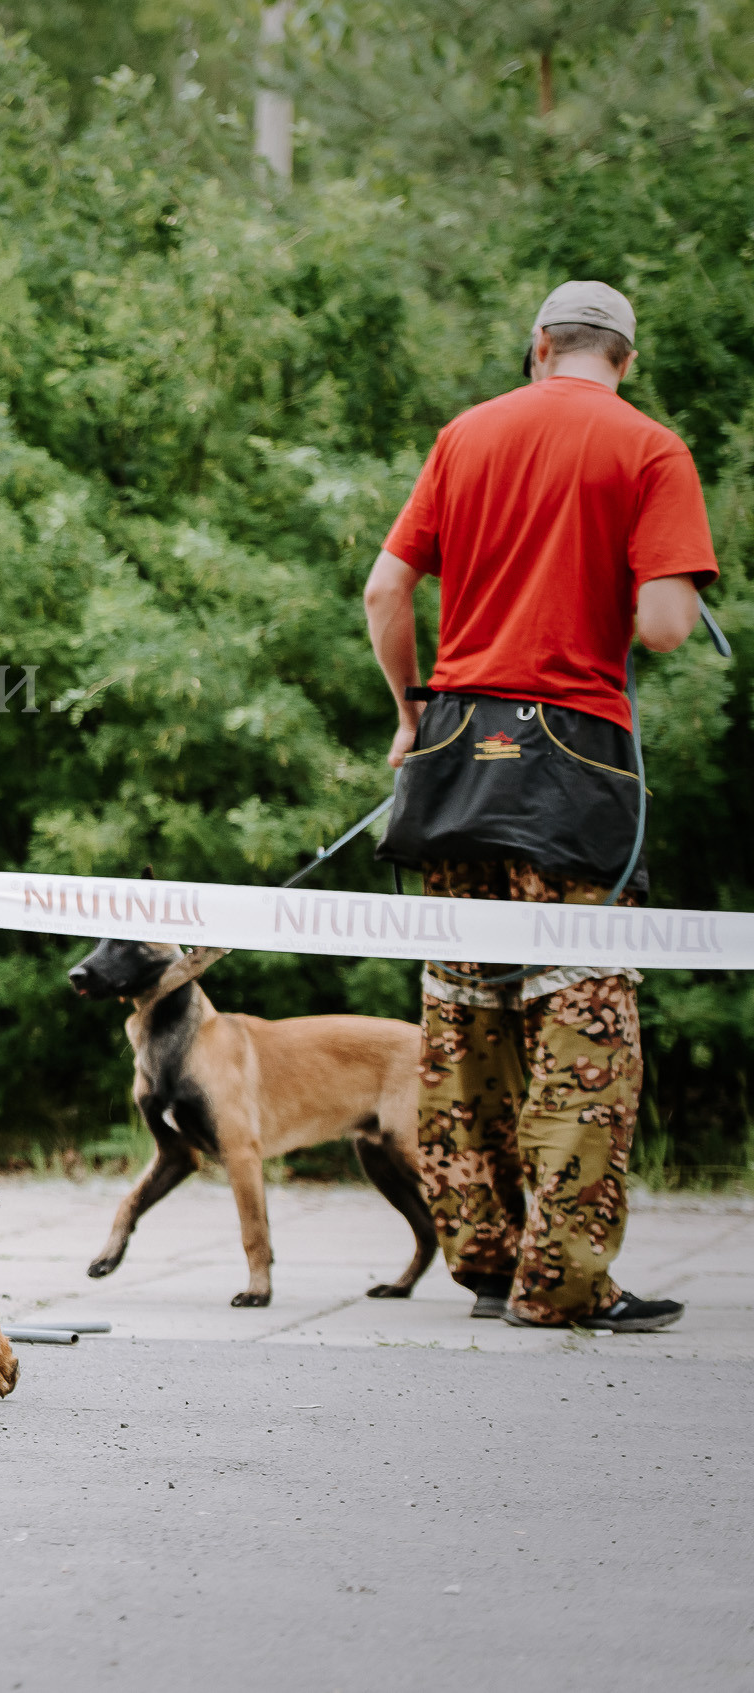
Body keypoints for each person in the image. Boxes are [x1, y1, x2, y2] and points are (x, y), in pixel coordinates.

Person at [364, 281, 716, 1334]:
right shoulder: (651, 451)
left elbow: (386, 590)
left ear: (539, 346)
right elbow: (660, 625)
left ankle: (479, 1253)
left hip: (457, 747)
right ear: (625, 358)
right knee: (581, 1018)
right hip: (574, 757)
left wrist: (408, 710)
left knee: (460, 1010)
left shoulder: (466, 434)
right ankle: (561, 1281)